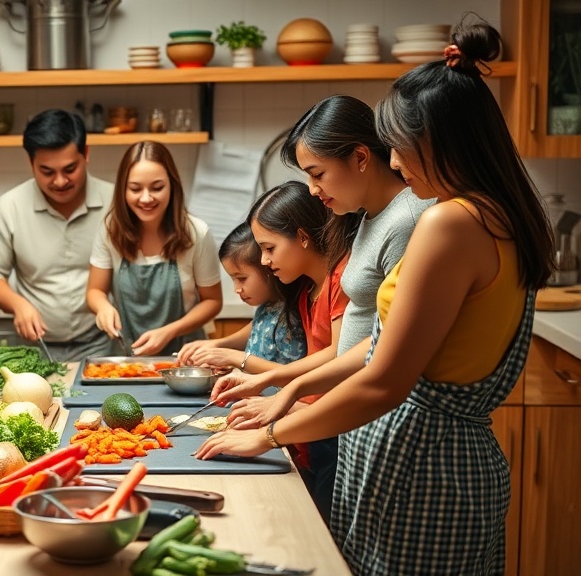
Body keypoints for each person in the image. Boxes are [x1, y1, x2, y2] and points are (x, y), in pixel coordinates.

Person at [195, 19, 554, 574]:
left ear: (437, 142)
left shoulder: (447, 224)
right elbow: (384, 348)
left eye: (400, 148)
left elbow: (386, 378)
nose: (393, 161)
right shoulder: (502, 214)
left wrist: (268, 435)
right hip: (445, 467)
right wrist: (286, 392)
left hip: (420, 468)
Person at [222, 95, 433, 415]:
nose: (311, 188)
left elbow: (393, 347)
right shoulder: (367, 218)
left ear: (360, 158)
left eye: (317, 174)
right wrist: (283, 384)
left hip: (382, 411)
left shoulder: (407, 220)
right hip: (352, 410)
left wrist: (283, 391)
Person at [213, 181, 358, 522]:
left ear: (303, 237)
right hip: (311, 422)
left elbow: (341, 353)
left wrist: (269, 381)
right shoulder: (307, 287)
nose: (264, 261)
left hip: (337, 424)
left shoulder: (340, 278)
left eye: (269, 248)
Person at [0, 109, 115, 361]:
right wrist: (18, 305)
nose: (60, 181)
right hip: (35, 347)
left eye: (70, 169)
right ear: (31, 163)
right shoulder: (11, 206)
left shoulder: (116, 203)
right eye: (47, 172)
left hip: (103, 345)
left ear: (86, 154)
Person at [86, 141, 223, 356]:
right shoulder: (110, 229)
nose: (146, 198)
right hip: (126, 359)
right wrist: (103, 307)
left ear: (172, 185)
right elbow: (95, 291)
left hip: (184, 358)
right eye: (135, 189)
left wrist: (170, 331)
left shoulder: (197, 233)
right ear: (123, 189)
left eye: (157, 187)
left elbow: (213, 301)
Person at [178, 221, 307, 372]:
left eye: (242, 279)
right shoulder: (266, 308)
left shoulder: (290, 319)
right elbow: (256, 334)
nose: (237, 289)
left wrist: (233, 358)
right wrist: (221, 354)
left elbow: (290, 374)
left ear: (267, 268)